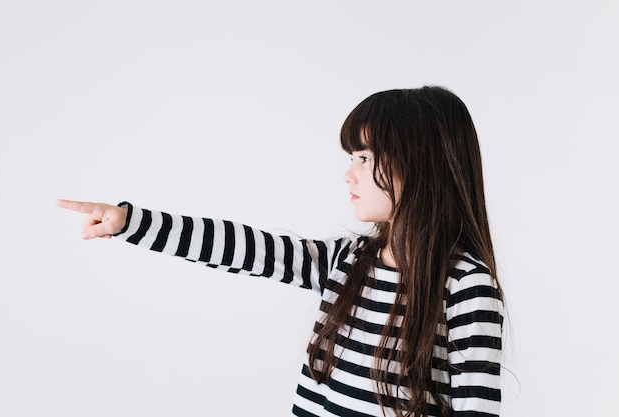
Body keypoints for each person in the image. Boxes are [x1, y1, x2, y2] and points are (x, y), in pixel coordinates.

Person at [57, 86, 504, 417]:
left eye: (365, 157)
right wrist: (133, 223)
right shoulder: (349, 261)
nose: (349, 174)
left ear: (422, 162)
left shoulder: (466, 286)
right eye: (351, 156)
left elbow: (475, 411)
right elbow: (249, 249)